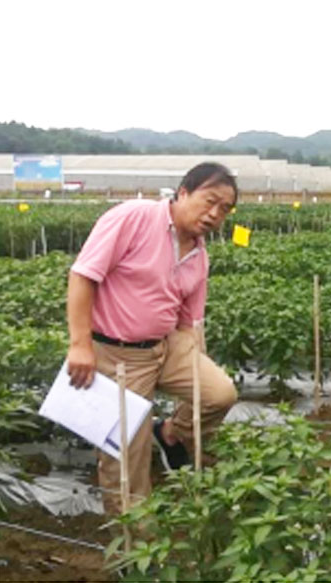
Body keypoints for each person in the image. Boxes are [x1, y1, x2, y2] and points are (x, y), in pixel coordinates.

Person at [66, 162, 238, 514]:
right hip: (116, 353)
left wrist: (194, 363)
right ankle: (134, 551)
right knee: (126, 463)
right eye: (210, 201)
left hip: (166, 344)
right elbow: (83, 276)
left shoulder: (199, 255)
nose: (215, 214)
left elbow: (190, 322)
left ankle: (171, 433)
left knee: (220, 394)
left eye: (225, 209)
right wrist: (80, 344)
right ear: (184, 192)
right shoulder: (133, 217)